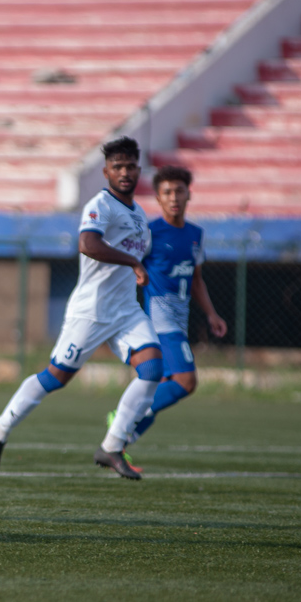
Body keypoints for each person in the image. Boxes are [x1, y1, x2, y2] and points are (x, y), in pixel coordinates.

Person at [0, 136, 163, 480]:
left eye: (130, 166)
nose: (125, 172)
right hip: (91, 312)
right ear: (106, 171)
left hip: (126, 311)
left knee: (153, 369)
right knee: (56, 378)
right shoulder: (100, 205)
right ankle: (0, 431)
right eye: (118, 167)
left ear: (139, 169)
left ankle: (111, 446)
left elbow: (142, 258)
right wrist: (132, 263)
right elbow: (87, 243)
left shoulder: (139, 214)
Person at [106, 166, 227, 450]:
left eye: (179, 191)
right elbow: (123, 267)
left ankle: (121, 440)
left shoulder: (196, 235)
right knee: (185, 381)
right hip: (159, 323)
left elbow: (196, 280)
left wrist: (211, 313)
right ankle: (123, 420)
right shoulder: (149, 234)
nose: (174, 197)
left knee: (156, 387)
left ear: (189, 195)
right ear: (158, 199)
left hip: (178, 322)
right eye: (167, 192)